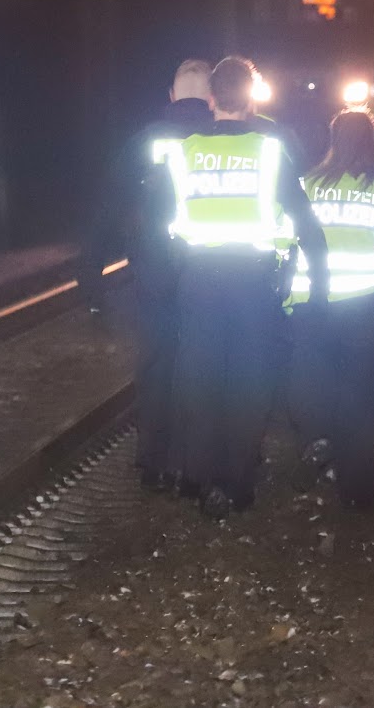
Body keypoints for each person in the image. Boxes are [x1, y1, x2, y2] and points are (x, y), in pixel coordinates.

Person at [157, 55, 326, 519]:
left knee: (198, 378)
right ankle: (235, 484)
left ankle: (197, 476)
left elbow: (162, 223)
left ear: (211, 99)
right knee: (248, 383)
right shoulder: (270, 151)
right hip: (252, 283)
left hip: (197, 280)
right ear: (250, 101)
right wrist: (320, 283)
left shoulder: (183, 151)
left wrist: (174, 276)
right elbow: (305, 221)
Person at [286, 109, 374, 509]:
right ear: (371, 143)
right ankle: (358, 490)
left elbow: (287, 242)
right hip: (368, 305)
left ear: (332, 141)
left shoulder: (303, 186)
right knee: (359, 396)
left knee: (315, 386)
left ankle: (319, 444)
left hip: (312, 303)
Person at [129, 59, 214, 491]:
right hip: (206, 270)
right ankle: (188, 460)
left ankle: (151, 459)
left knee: (155, 363)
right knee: (199, 366)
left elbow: (118, 202)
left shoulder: (146, 140)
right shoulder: (223, 140)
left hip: (153, 266)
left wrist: (94, 268)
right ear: (213, 96)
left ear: (171, 95)